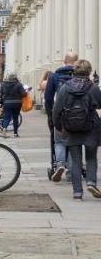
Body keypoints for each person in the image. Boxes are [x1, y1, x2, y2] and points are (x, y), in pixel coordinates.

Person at [50, 58, 101, 200]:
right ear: (89, 71)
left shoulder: (65, 88)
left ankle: (77, 192)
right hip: (91, 126)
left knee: (75, 160)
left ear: (75, 70)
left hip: (71, 128)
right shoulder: (93, 88)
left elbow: (56, 110)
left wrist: (58, 126)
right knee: (91, 157)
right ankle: (91, 182)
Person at [43, 51, 78, 181]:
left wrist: (51, 115)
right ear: (77, 62)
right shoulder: (82, 76)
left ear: (64, 61)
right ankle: (72, 172)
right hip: (78, 115)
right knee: (75, 142)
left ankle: (60, 164)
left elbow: (48, 98)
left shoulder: (54, 76)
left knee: (59, 142)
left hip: (60, 114)